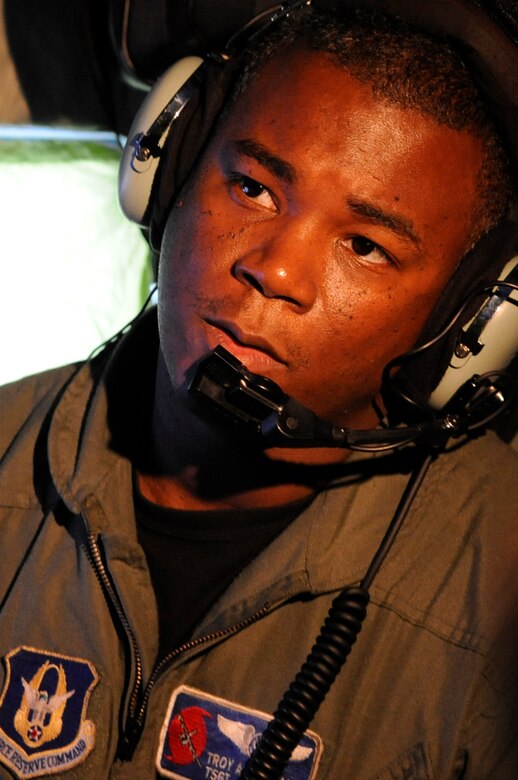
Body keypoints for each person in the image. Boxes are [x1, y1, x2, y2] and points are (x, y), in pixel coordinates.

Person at [0, 2, 517, 778]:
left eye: (364, 245)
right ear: (166, 170)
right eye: (253, 188)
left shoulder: (499, 603)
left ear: (466, 323)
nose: (274, 270)